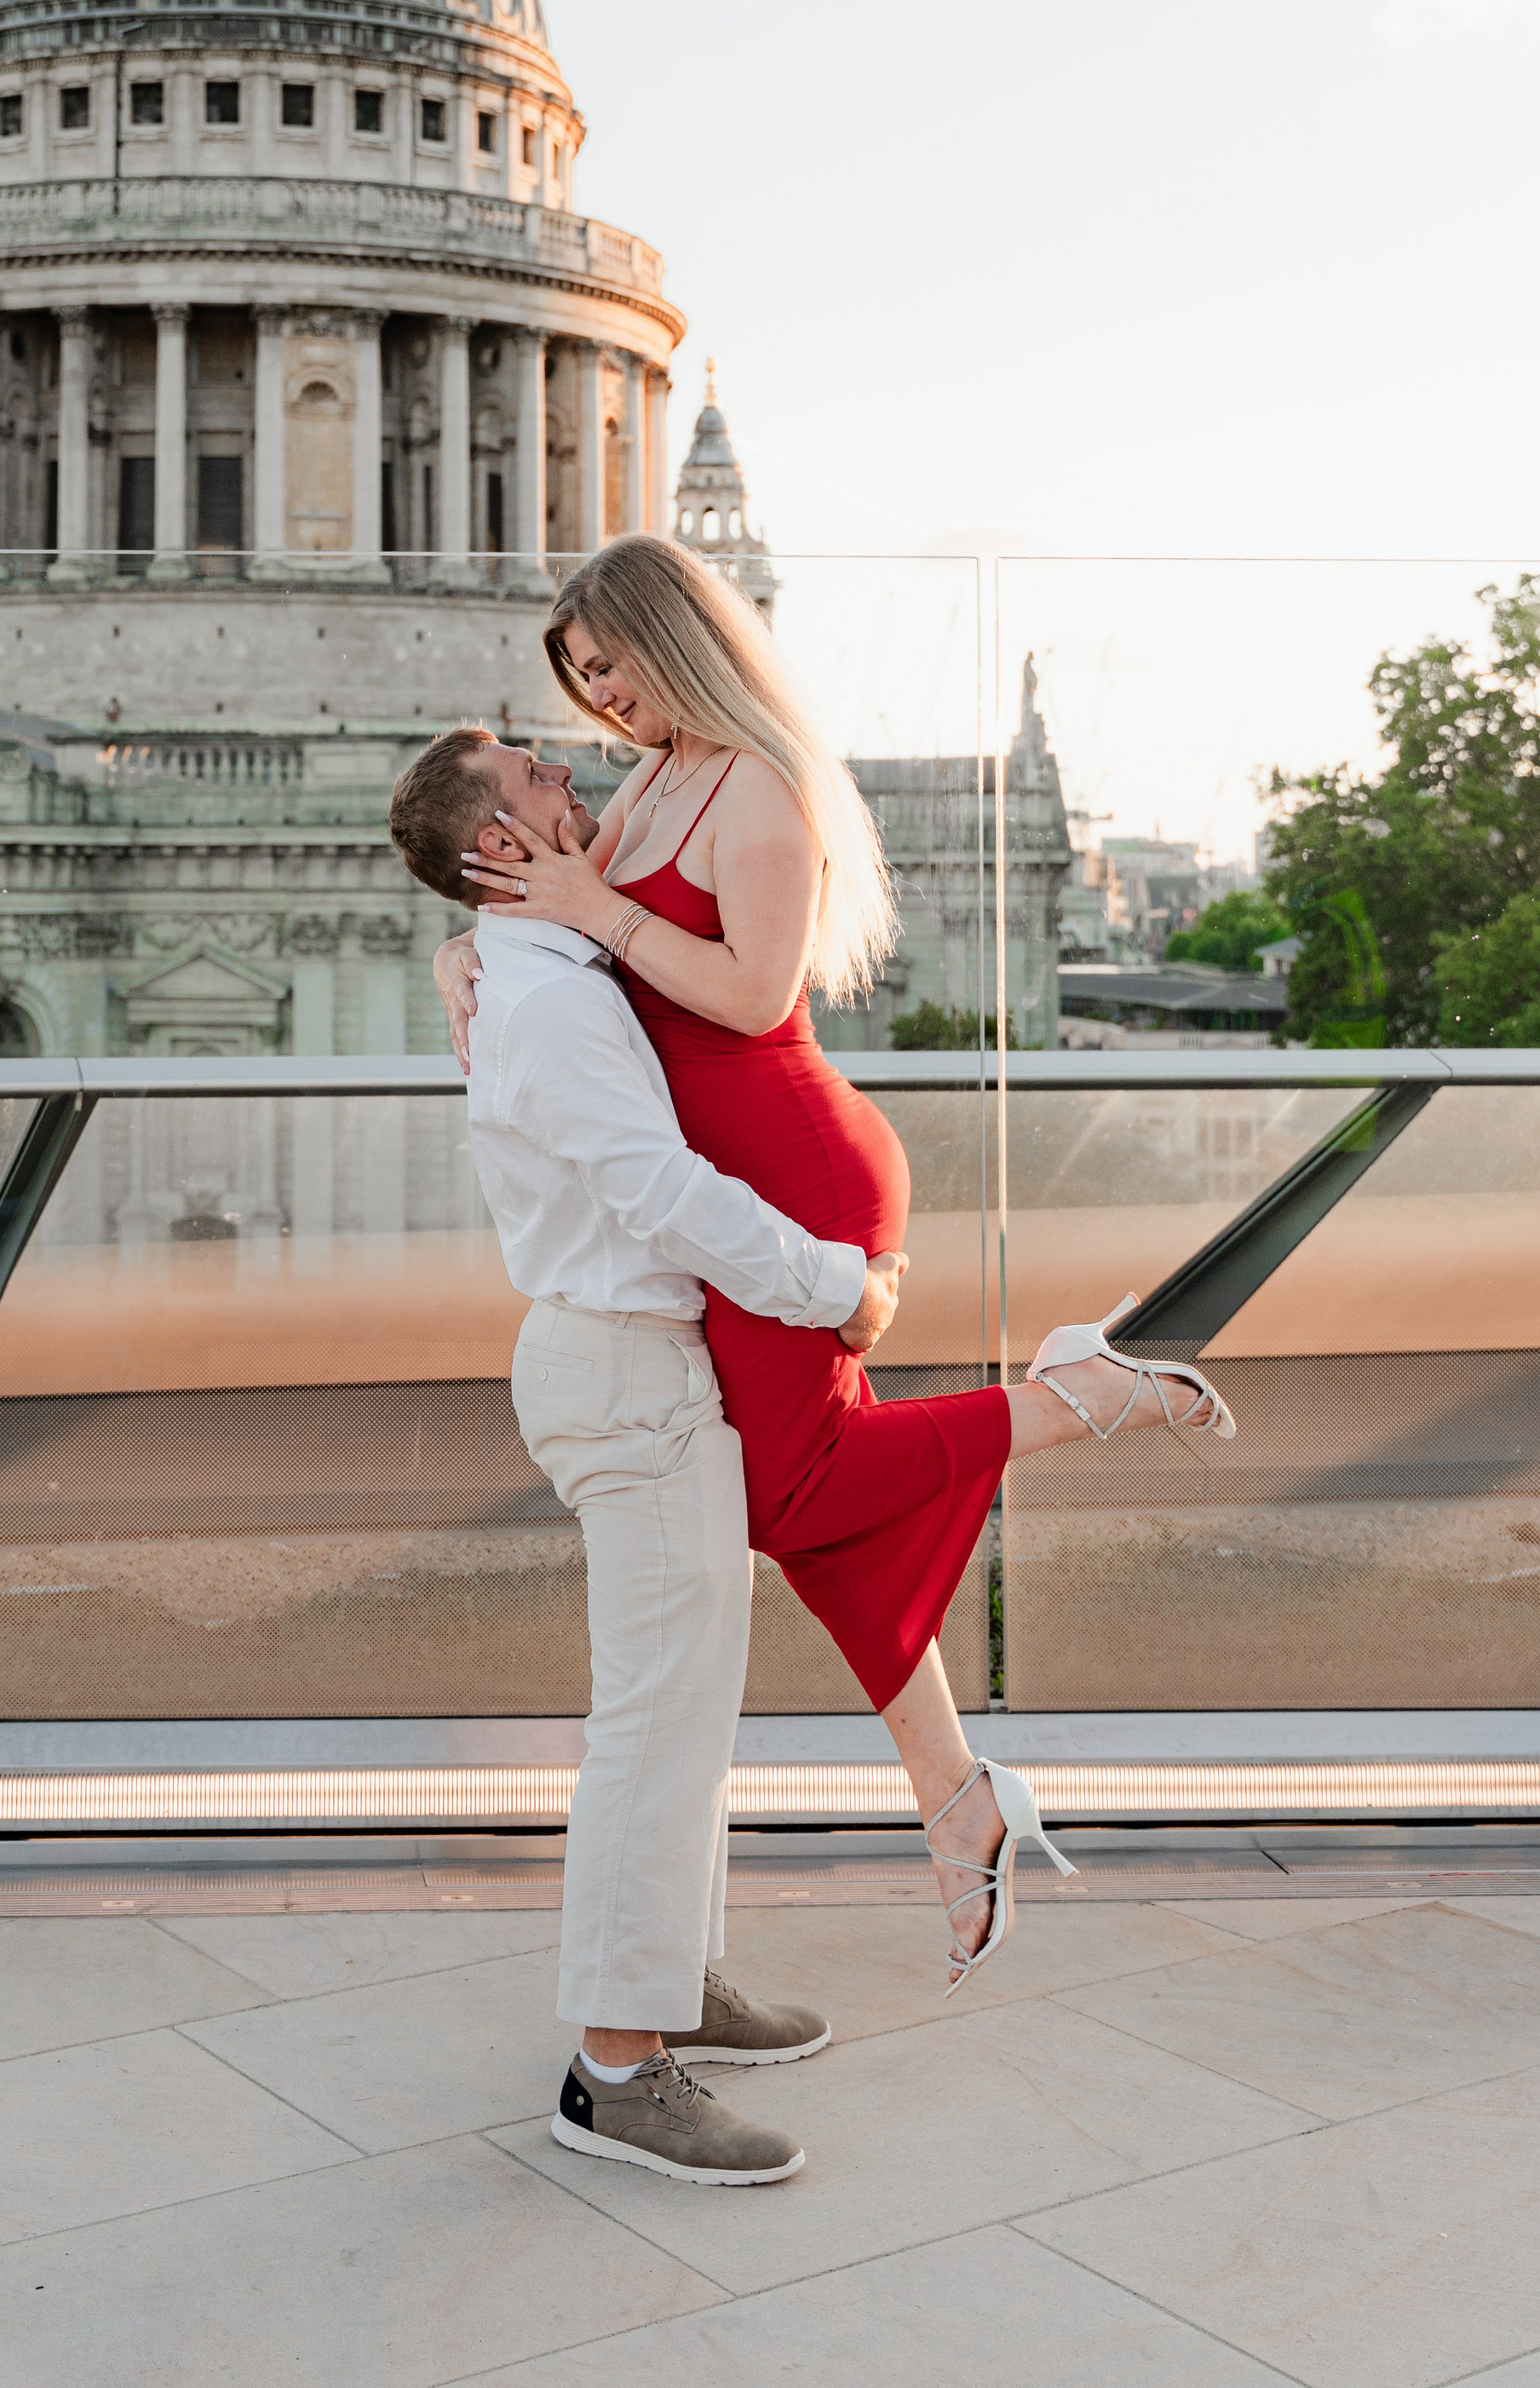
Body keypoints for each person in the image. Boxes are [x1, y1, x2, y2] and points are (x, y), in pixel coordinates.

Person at [432, 535, 1237, 1991]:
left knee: (794, 1489)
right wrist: (474, 949)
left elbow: (750, 991)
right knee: (802, 1511)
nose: (600, 700)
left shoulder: (758, 784)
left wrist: (589, 911)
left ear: (676, 638)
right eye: (580, 680)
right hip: (734, 1188)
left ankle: (1080, 1395)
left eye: (610, 664)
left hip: (790, 1173)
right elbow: (575, 953)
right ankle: (956, 1798)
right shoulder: (652, 783)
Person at [389, 724, 903, 2185]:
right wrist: (832, 1286)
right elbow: (658, 1187)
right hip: (625, 1364)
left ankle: (672, 1982)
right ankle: (617, 2069)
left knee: (686, 1711)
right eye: (543, 778)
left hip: (627, 1360)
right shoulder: (545, 998)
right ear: (500, 848)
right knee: (655, 1725)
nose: (577, 779)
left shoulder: (543, 968)